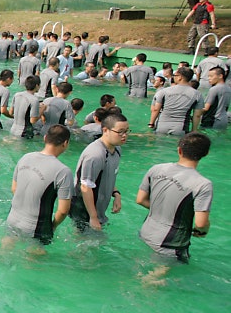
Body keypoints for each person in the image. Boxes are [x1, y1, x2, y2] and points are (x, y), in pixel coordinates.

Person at [136, 132, 212, 266]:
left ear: (179, 150)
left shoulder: (156, 169)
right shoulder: (202, 184)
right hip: (170, 243)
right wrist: (203, 231)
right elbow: (200, 224)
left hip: (146, 232)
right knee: (156, 281)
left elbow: (140, 199)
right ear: (205, 154)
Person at [6, 125, 73, 245]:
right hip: (36, 227)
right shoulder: (63, 171)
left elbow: (14, 189)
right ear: (65, 143)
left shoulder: (25, 158)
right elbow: (63, 210)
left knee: (5, 248)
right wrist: (52, 226)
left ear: (45, 138)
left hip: (12, 218)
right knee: (34, 261)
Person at [69, 112, 129, 231]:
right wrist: (93, 217)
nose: (124, 135)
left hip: (97, 208)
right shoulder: (95, 154)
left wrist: (116, 194)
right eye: (120, 132)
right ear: (105, 130)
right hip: (84, 208)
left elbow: (108, 175)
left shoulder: (117, 149)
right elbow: (85, 187)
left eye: (127, 131)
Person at [149, 66, 201, 135]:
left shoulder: (164, 91)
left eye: (175, 75)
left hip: (161, 126)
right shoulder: (197, 94)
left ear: (180, 77)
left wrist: (151, 124)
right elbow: (197, 115)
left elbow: (155, 109)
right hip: (180, 128)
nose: (173, 77)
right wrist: (194, 130)